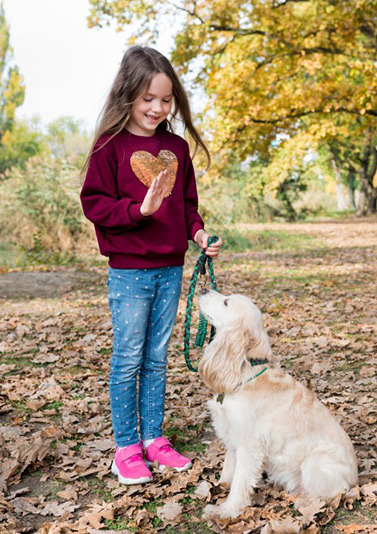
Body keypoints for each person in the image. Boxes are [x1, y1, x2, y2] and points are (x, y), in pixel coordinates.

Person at [80, 46, 222, 485]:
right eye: (147, 99)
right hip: (128, 271)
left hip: (169, 268)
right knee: (128, 359)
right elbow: (94, 204)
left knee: (156, 358)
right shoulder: (110, 147)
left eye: (165, 100)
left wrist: (197, 234)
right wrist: (138, 210)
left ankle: (154, 440)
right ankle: (126, 447)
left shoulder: (175, 147)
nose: (157, 109)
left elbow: (187, 206)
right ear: (127, 95)